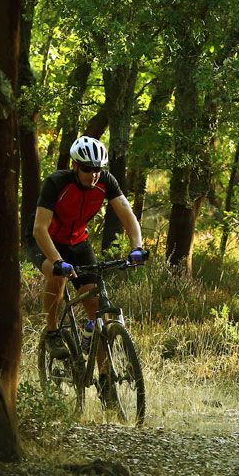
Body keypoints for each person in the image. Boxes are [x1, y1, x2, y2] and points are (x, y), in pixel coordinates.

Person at [30, 136, 147, 359]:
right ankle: (52, 330)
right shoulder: (57, 183)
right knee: (57, 275)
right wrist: (58, 261)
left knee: (94, 304)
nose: (93, 175)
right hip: (46, 238)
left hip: (77, 241)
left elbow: (128, 216)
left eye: (98, 169)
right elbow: (39, 229)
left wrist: (137, 248)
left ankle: (105, 379)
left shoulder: (106, 182)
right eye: (87, 169)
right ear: (75, 166)